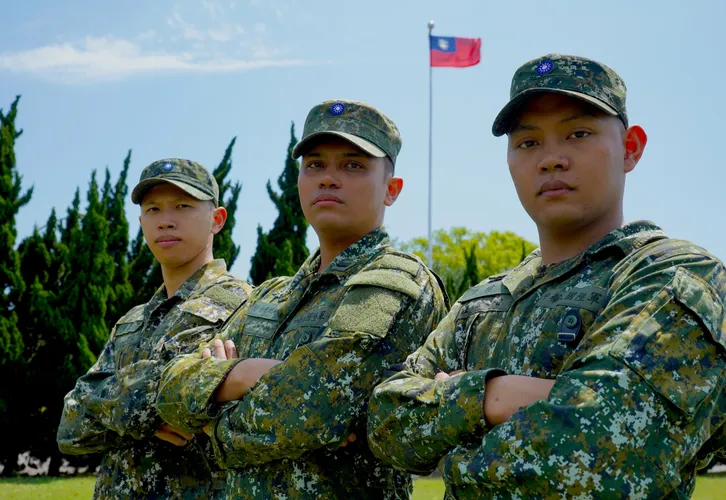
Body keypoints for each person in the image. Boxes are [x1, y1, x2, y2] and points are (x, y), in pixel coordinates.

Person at [367, 54, 726, 499]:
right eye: (528, 142)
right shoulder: (482, 304)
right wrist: (507, 396)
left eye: (578, 134)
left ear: (631, 148)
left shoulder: (675, 276)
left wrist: (457, 399)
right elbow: (385, 422)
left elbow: (603, 451)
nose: (551, 159)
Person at [156, 100, 450, 498]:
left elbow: (314, 410)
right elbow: (169, 389)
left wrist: (209, 423)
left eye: (353, 165)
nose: (328, 178)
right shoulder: (270, 293)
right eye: (314, 165)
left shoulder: (398, 284)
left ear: (391, 190)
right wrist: (243, 374)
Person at [57, 158, 252, 499]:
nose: (165, 220)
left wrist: (109, 404)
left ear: (217, 219)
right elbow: (70, 429)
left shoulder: (247, 306)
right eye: (153, 209)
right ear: (141, 222)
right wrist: (147, 410)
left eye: (182, 206)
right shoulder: (131, 322)